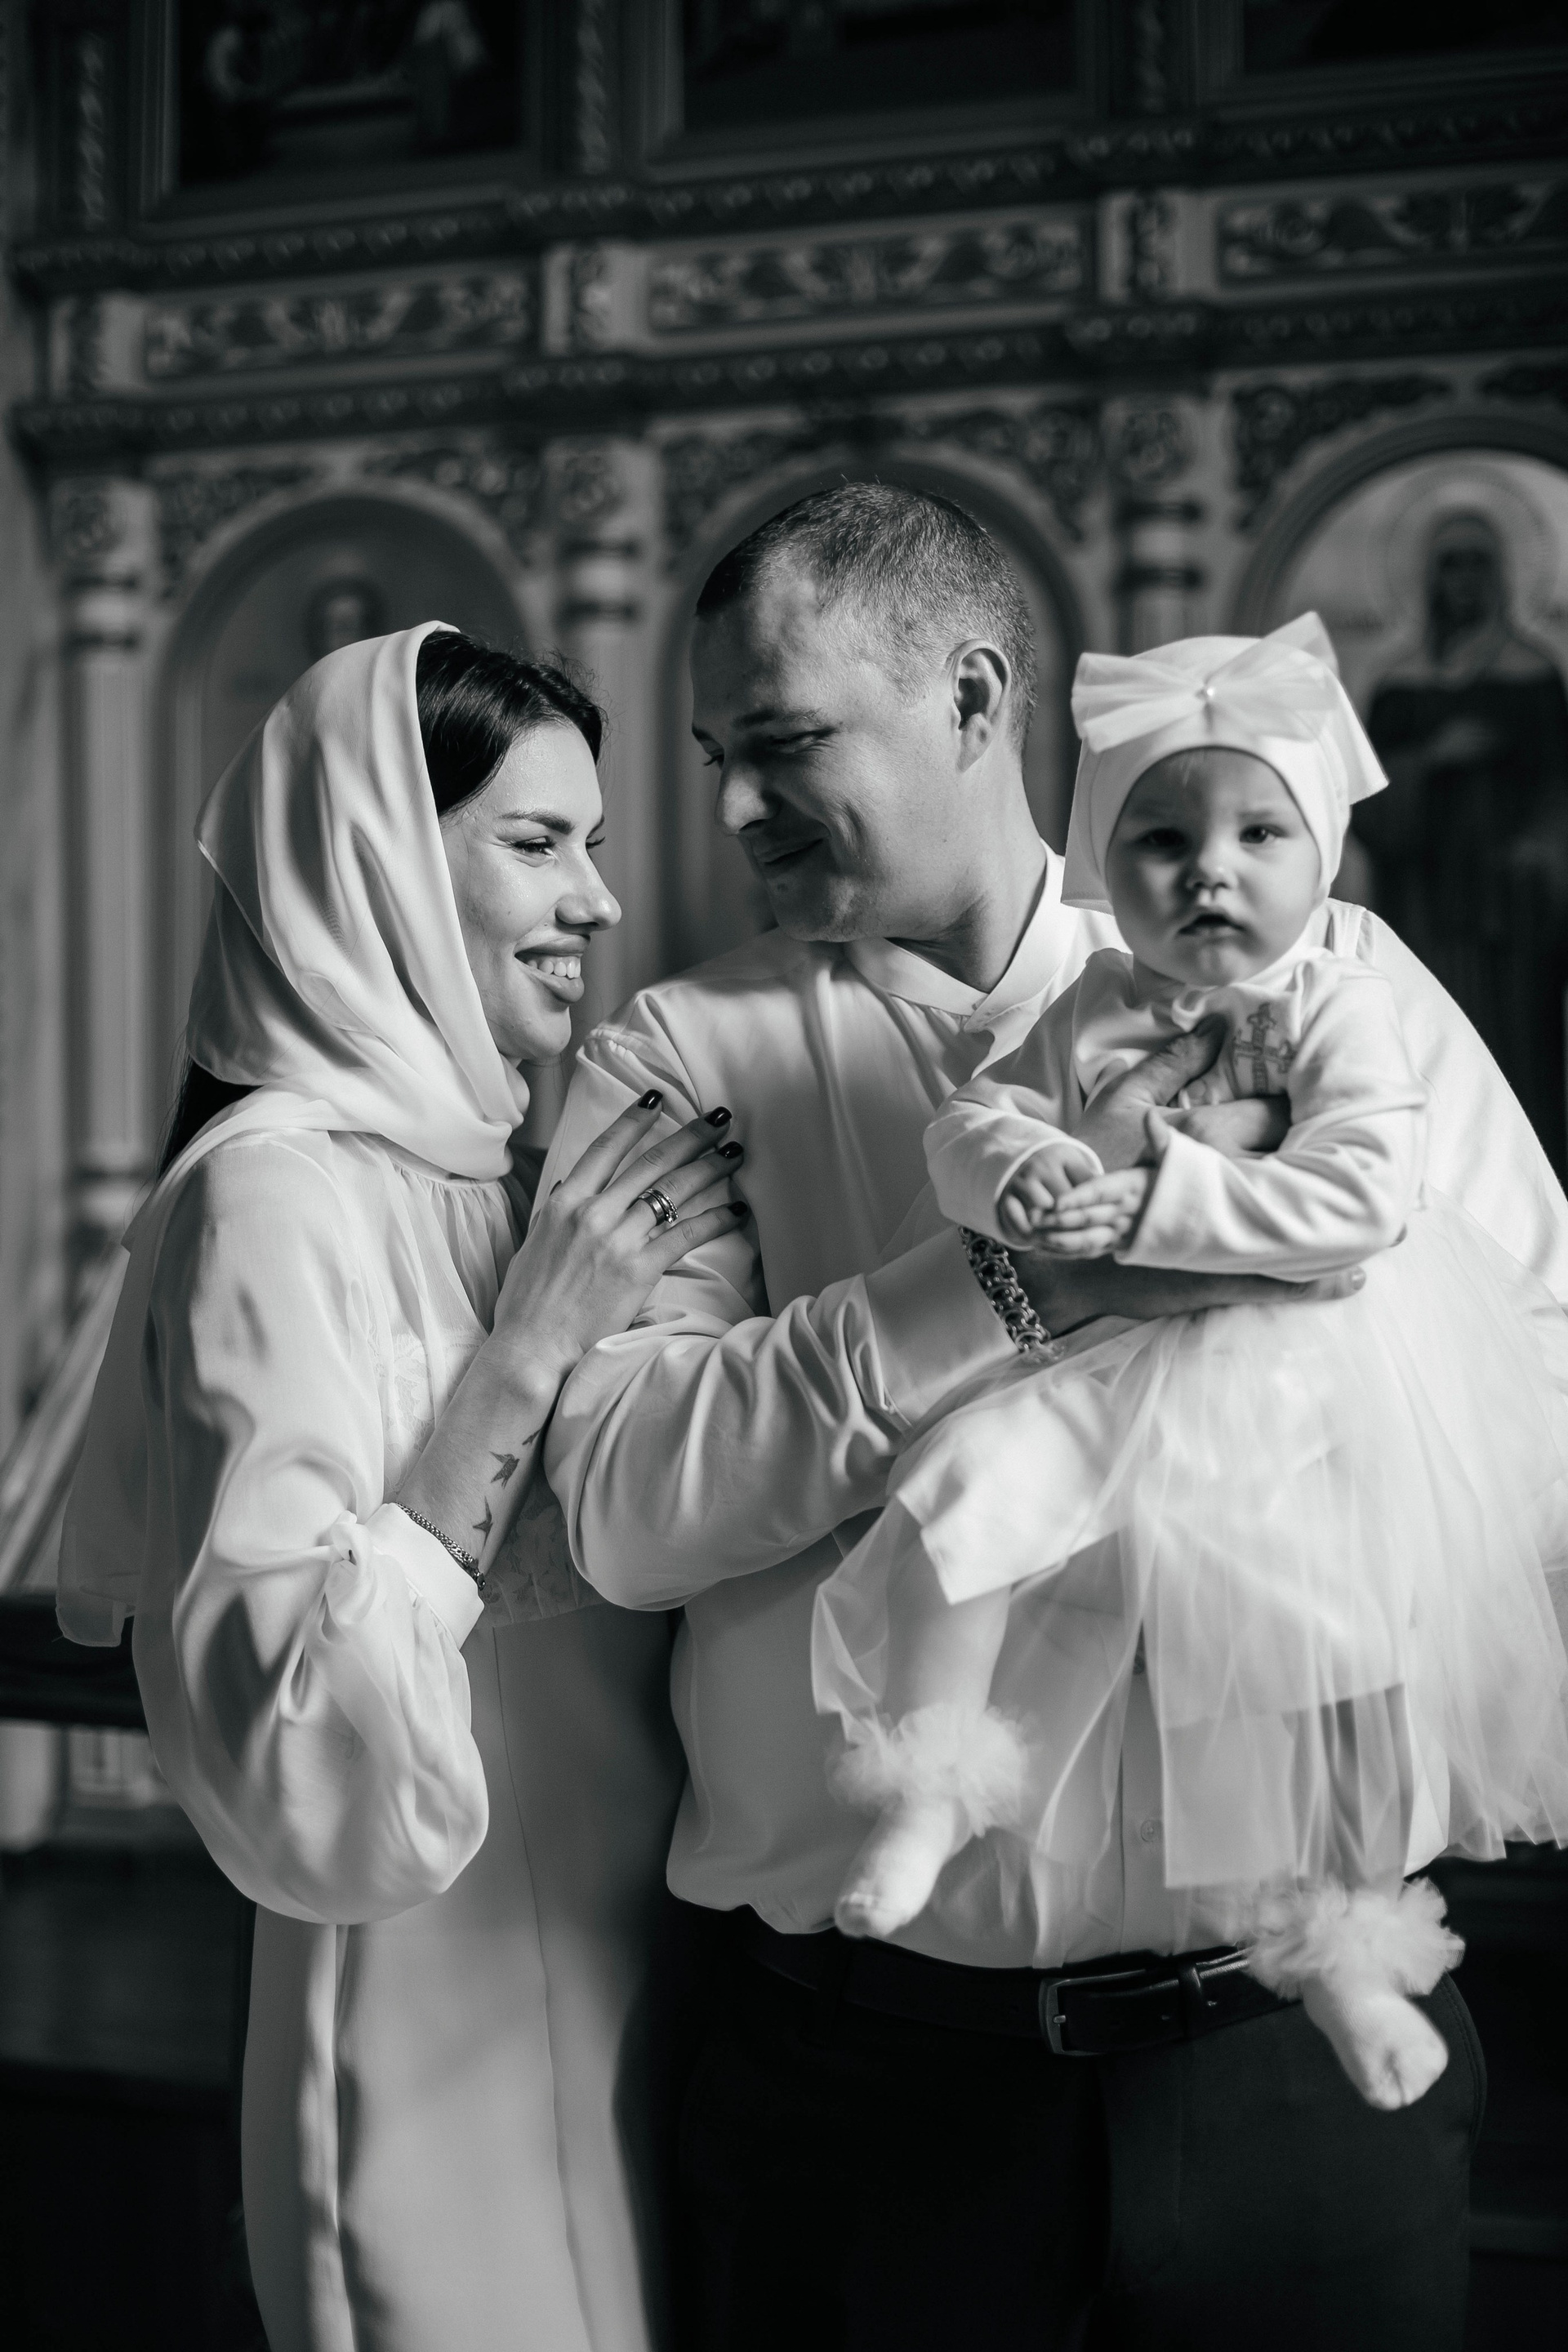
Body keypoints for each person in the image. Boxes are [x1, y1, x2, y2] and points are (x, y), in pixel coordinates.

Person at [540, 483, 1568, 2350]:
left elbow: (1542, 1381)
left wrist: (1295, 1449)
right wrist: (1017, 1288)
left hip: (1301, 2075)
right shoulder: (676, 1060)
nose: (738, 807)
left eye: (784, 743)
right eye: (713, 759)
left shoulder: (1346, 986)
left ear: (971, 697)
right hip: (870, 2096)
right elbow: (619, 1505)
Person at [57, 623, 746, 2352]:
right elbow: (285, 1719)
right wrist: (529, 1352)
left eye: (594, 841)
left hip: (635, 1952)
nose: (598, 898)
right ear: (376, 864)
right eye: (538, 843)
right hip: (430, 1990)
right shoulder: (273, 1196)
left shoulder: (505, 1169)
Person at [812, 613, 1568, 2114]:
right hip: (1111, 1371)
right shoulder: (1090, 1005)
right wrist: (1019, 1173)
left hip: (1308, 1380)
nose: (1208, 869)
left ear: (1321, 856)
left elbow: (1362, 1200)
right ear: (1110, 862)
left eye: (1255, 834)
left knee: (1316, 1641)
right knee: (964, 1485)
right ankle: (933, 1788)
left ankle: (1341, 1944)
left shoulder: (1344, 1004)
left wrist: (1153, 1199)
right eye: (1163, 838)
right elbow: (971, 1123)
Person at [1359, 506, 1568, 1175]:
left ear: (1501, 575)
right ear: (1430, 579)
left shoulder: (1533, 678)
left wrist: (1539, 844)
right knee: (1435, 1047)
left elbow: (1560, 788)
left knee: (1520, 1052)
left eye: (1478, 563)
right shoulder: (1402, 688)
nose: (1465, 580)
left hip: (1515, 913)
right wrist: (1431, 759)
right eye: (1452, 565)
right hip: (1424, 907)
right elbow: (1365, 799)